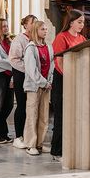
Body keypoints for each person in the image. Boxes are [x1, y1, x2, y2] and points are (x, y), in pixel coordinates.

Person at [50, 9, 86, 162]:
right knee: (61, 115)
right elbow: (59, 61)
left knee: (75, 116)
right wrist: (70, 78)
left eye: (83, 22)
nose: (82, 25)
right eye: (79, 22)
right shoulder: (61, 36)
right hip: (62, 79)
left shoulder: (83, 38)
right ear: (71, 22)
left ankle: (72, 148)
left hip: (77, 79)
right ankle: (57, 151)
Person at [23, 21, 54, 155]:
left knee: (43, 117)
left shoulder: (49, 47)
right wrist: (44, 83)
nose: (45, 31)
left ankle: (40, 143)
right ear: (36, 31)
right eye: (42, 29)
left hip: (46, 86)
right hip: (34, 86)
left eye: (46, 29)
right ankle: (30, 144)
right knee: (32, 115)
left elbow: (52, 65)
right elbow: (31, 70)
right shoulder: (30, 47)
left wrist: (49, 82)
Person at [9, 14, 38, 149]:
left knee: (31, 106)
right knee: (21, 105)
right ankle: (18, 136)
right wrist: (29, 69)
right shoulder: (19, 39)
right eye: (32, 23)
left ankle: (29, 135)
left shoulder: (36, 39)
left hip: (33, 77)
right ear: (25, 25)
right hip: (21, 75)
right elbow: (14, 59)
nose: (34, 26)